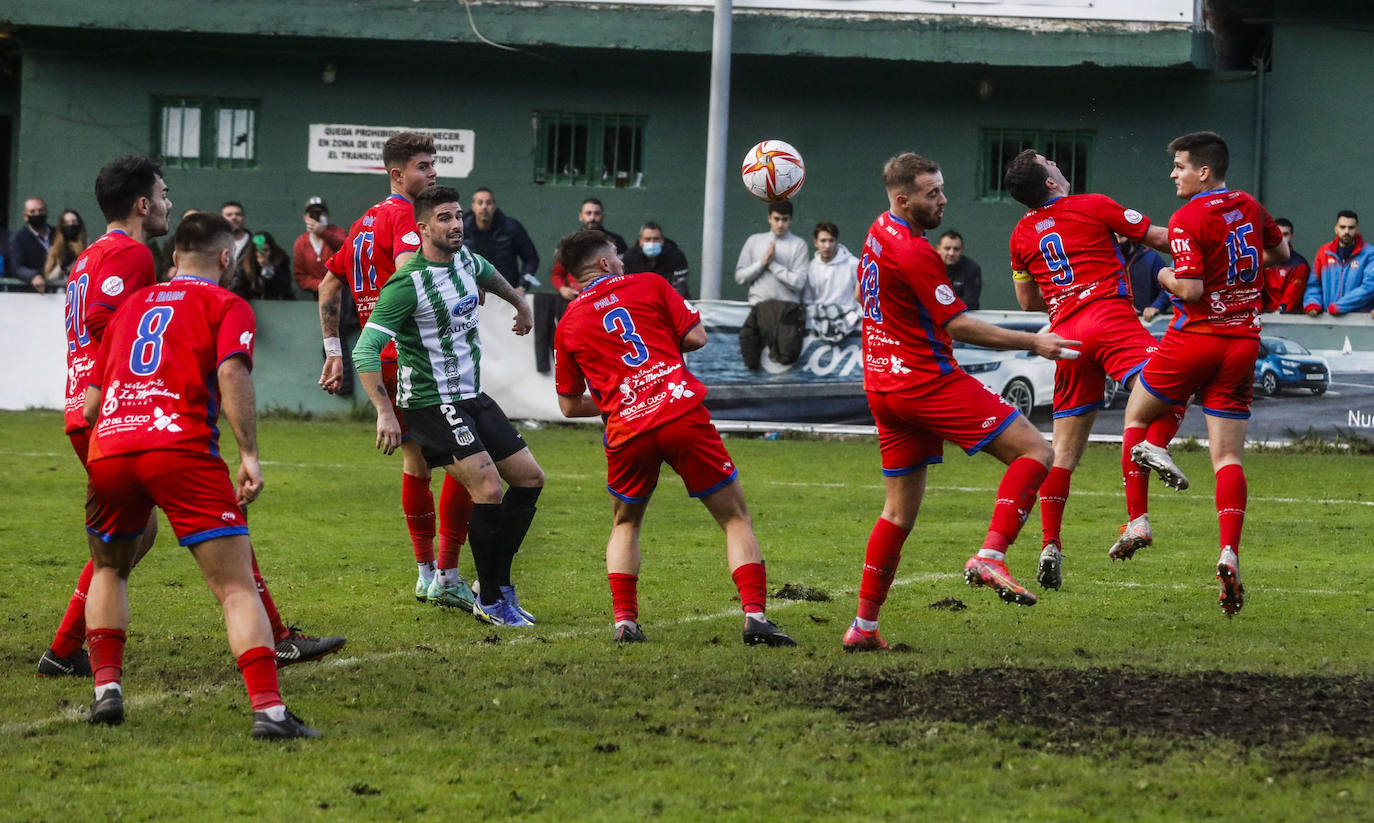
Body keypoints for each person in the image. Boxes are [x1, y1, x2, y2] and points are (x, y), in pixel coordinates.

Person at [40, 155, 342, 679]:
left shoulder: (90, 255)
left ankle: (65, 648)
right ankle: (274, 640)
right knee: (205, 521)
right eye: (162, 193)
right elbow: (116, 327)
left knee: (132, 536)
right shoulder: (133, 253)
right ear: (142, 204)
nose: (168, 202)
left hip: (90, 408)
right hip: (124, 411)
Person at [80, 211, 320, 739]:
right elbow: (231, 371)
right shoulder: (225, 303)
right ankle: (269, 712)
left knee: (109, 570)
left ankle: (106, 693)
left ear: (173, 258)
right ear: (226, 258)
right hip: (179, 447)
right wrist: (249, 454)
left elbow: (89, 404)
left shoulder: (130, 307)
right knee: (235, 587)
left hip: (112, 446)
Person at [841, 152, 1079, 652]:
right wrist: (1034, 342)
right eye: (933, 193)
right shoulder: (914, 251)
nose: (943, 199)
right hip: (925, 382)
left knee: (897, 514)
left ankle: (863, 627)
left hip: (883, 387)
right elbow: (959, 326)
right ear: (904, 199)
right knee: (1037, 452)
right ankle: (991, 554)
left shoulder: (876, 230)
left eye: (943, 188)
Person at [552, 229, 797, 647]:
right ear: (606, 263)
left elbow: (570, 406)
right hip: (679, 412)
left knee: (625, 522)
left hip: (627, 430)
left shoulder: (568, 323)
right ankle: (755, 617)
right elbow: (696, 337)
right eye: (618, 255)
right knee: (735, 517)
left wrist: (621, 396)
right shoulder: (650, 283)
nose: (625, 260)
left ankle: (625, 623)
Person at [353, 185, 545, 627]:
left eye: (458, 216)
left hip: (471, 396)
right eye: (444, 218)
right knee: (489, 488)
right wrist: (384, 411)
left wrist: (519, 304)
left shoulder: (466, 261)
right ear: (422, 228)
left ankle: (492, 584)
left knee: (531, 480)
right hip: (429, 403)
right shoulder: (406, 284)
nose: (456, 224)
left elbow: (488, 272)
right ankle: (493, 598)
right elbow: (366, 352)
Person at [1119, 131, 1288, 615]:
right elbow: (1277, 256)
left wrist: (1164, 275)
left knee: (1135, 415)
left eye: (1179, 166)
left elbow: (1189, 290)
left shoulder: (1187, 216)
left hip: (1197, 337)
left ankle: (1138, 520)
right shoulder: (1250, 206)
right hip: (1243, 341)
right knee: (1228, 456)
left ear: (1204, 172)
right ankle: (1229, 552)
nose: (1173, 173)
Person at [1002, 149, 1186, 589]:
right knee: (1175, 386)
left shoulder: (1019, 235)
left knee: (1063, 453)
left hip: (1066, 336)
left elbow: (1027, 302)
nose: (1059, 166)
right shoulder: (1093, 204)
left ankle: (1050, 544)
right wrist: (1207, 235)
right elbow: (1161, 239)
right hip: (1109, 319)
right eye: (1051, 162)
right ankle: (1138, 513)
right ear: (1050, 182)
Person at [319, 132, 476, 609]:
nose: (433, 173)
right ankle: (447, 574)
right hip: (417, 361)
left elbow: (330, 282)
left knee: (417, 466)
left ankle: (427, 574)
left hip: (381, 362)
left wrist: (333, 347)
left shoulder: (363, 222)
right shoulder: (406, 218)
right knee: (469, 465)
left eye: (433, 165)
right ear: (397, 174)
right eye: (424, 166)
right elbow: (415, 272)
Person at [734, 201, 809, 369]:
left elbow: (799, 283)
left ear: (791, 220)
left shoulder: (799, 245)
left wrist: (773, 265)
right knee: (749, 358)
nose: (780, 224)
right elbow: (740, 277)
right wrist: (762, 263)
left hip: (787, 311)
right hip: (759, 308)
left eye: (785, 219)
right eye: (776, 219)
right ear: (769, 218)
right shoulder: (754, 241)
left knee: (786, 358)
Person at [461, 187, 540, 293]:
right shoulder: (460, 229)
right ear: (473, 207)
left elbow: (531, 259)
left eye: (488, 203)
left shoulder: (512, 227)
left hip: (506, 292)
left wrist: (522, 286)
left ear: (494, 206)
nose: (484, 207)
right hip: (471, 292)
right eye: (480, 203)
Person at [1303, 210, 1374, 317]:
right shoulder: (1324, 252)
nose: (1346, 231)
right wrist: (1312, 303)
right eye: (1342, 227)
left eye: (1351, 228)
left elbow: (1369, 287)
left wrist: (1339, 306)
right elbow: (1314, 284)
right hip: (1329, 319)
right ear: (1336, 229)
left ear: (1357, 229)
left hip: (1359, 319)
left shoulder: (1369, 253)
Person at [802, 221, 860, 342]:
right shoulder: (810, 268)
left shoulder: (853, 264)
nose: (827, 245)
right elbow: (808, 301)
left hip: (852, 325)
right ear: (815, 243)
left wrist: (854, 316)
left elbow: (864, 297)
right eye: (823, 241)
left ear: (837, 242)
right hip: (820, 325)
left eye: (831, 240)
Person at [292, 197, 348, 297]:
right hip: (317, 294)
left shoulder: (338, 232)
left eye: (320, 213)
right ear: (305, 218)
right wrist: (322, 285)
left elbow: (346, 251)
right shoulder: (300, 243)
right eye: (312, 215)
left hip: (342, 291)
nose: (316, 217)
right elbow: (300, 276)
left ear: (327, 216)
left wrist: (323, 232)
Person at [620, 222, 691, 299]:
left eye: (656, 239)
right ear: (640, 241)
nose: (652, 242)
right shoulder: (630, 257)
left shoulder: (676, 256)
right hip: (637, 301)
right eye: (647, 239)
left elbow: (680, 289)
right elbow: (624, 286)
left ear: (662, 241)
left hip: (669, 302)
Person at [1117, 231, 1172, 320]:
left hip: (1149, 321)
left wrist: (1156, 306)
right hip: (1121, 320)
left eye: (1121, 237)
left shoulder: (1150, 257)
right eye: (1115, 238)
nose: (1118, 241)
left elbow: (1167, 289)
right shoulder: (1109, 262)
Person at [1261, 218, 1309, 314]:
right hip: (1262, 316)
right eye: (1278, 233)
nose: (1281, 238)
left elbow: (1290, 301)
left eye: (1285, 234)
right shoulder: (1262, 259)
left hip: (1288, 319)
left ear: (1291, 236)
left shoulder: (1299, 265)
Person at [233, 231, 295, 300]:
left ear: (271, 251)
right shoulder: (246, 264)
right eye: (257, 250)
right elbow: (238, 287)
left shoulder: (281, 262)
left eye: (265, 250)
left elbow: (284, 287)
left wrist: (267, 269)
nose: (261, 253)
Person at [40, 210, 89, 293]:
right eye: (66, 223)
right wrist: (62, 267)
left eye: (74, 222)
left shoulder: (88, 246)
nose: (70, 225)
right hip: (58, 292)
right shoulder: (54, 249)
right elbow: (49, 278)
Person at [12, 197, 55, 290]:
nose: (37, 214)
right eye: (32, 211)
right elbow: (17, 267)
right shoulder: (18, 238)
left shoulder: (57, 234)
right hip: (33, 291)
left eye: (41, 210)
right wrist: (33, 275)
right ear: (25, 216)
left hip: (58, 287)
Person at [937, 230, 982, 309]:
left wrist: (941, 303)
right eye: (947, 248)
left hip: (963, 317)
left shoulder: (972, 269)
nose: (951, 253)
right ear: (938, 249)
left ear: (962, 250)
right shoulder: (929, 267)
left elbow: (970, 302)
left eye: (956, 249)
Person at [220, 201, 252, 293]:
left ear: (244, 218)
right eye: (229, 215)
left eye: (238, 214)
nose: (234, 217)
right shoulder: (214, 244)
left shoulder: (254, 245)